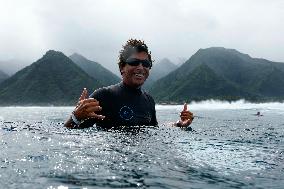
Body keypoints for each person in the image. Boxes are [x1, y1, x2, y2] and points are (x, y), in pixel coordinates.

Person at [64, 39, 194, 129]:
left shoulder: (148, 100)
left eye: (146, 64)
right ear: (122, 67)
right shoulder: (104, 96)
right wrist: (75, 117)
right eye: (134, 62)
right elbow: (69, 134)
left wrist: (179, 124)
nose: (140, 67)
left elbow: (155, 130)